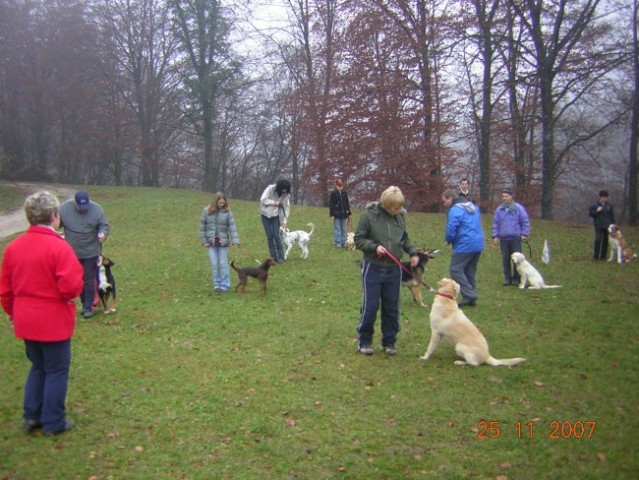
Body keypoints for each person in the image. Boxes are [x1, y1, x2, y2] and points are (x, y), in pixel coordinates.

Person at [0, 191, 84, 436]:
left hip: (26, 319)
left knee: (38, 365)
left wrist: (12, 311)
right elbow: (71, 286)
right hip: (52, 320)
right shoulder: (59, 247)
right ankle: (53, 420)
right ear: (55, 216)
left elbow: (6, 288)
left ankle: (32, 415)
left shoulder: (14, 248)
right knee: (56, 369)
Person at [354, 186, 419, 356]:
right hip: (373, 267)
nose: (398, 211)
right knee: (371, 305)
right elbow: (359, 239)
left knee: (392, 306)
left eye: (400, 208)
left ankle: (389, 341)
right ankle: (364, 340)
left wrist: (412, 252)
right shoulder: (369, 215)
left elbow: (404, 238)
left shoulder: (400, 216)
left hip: (394, 268)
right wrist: (374, 248)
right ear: (385, 204)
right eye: (395, 208)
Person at [59, 191, 109, 318]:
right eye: (80, 207)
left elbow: (104, 225)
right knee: (78, 279)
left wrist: (103, 234)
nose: (83, 210)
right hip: (73, 252)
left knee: (88, 278)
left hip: (91, 251)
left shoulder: (97, 209)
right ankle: (84, 303)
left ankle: (88, 307)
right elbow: (56, 224)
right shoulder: (64, 209)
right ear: (75, 203)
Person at [442, 189, 484, 307]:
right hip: (478, 243)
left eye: (444, 201)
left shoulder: (455, 210)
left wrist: (448, 239)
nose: (444, 204)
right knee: (469, 271)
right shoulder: (473, 207)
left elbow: (452, 227)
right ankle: (471, 299)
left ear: (450, 198)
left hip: (465, 244)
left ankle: (470, 294)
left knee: (455, 269)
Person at [200, 192, 240, 292]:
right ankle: (217, 284)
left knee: (223, 263)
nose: (222, 205)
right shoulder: (206, 211)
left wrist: (235, 240)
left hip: (223, 243)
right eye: (220, 203)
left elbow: (232, 227)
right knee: (214, 264)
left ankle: (225, 285)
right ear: (215, 202)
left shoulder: (227, 212)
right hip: (211, 243)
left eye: (223, 203)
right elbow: (202, 227)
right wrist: (204, 241)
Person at [492, 187, 530, 286]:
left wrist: (524, 233)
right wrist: (495, 235)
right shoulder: (499, 209)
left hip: (515, 238)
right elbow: (496, 223)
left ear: (511, 197)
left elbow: (524, 221)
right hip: (504, 239)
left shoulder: (518, 208)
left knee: (517, 260)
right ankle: (507, 278)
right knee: (505, 260)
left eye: (506, 196)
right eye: (503, 196)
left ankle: (516, 279)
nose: (504, 198)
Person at [260, 179, 291, 263]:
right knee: (270, 236)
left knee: (276, 236)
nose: (284, 191)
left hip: (276, 216)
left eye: (286, 189)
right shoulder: (270, 189)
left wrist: (285, 221)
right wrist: (274, 202)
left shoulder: (286, 195)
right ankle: (273, 257)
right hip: (265, 215)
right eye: (283, 189)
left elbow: (286, 208)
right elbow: (263, 199)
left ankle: (281, 257)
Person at [588, 190, 615, 260]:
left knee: (605, 240)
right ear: (600, 197)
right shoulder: (595, 205)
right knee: (598, 239)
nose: (604, 199)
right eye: (603, 197)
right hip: (598, 225)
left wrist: (613, 224)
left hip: (607, 225)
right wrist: (596, 211)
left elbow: (612, 215)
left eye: (605, 197)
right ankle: (596, 256)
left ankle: (603, 256)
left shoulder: (609, 205)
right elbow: (590, 214)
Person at [329, 179, 352, 248]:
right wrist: (332, 215)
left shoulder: (345, 193)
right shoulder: (333, 193)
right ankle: (338, 243)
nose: (340, 187)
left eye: (341, 186)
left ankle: (344, 242)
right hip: (336, 214)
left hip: (344, 214)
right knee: (337, 229)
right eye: (339, 186)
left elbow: (347, 203)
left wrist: (349, 213)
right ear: (336, 185)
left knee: (344, 229)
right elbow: (331, 205)